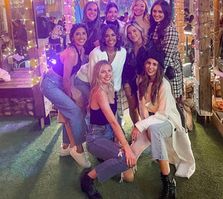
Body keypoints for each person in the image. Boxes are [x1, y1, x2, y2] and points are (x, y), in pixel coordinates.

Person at [130, 49, 195, 198]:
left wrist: (140, 125)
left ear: (159, 67)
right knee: (137, 145)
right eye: (148, 63)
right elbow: (142, 107)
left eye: (154, 64)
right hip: (151, 121)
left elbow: (163, 114)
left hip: (168, 120)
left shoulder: (163, 84)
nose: (150, 67)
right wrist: (143, 125)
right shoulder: (140, 80)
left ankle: (168, 182)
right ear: (144, 64)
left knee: (154, 131)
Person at [80, 60, 136, 199]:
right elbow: (112, 121)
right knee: (125, 159)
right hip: (96, 137)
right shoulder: (99, 92)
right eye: (103, 72)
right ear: (97, 75)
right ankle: (87, 179)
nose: (107, 74)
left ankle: (105, 158)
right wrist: (126, 147)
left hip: (109, 133)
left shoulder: (110, 88)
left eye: (109, 71)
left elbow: (115, 119)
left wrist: (119, 138)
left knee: (130, 176)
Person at [40, 23, 90, 168]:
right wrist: (71, 95)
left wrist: (74, 92)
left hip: (60, 83)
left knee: (70, 110)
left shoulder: (81, 51)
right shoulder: (72, 52)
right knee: (74, 111)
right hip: (50, 84)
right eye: (77, 34)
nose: (81, 37)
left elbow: (71, 76)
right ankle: (78, 149)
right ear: (72, 37)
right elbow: (66, 79)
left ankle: (66, 146)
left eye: (83, 34)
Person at [88, 24, 126, 123]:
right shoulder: (95, 53)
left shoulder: (123, 52)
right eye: (107, 35)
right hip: (98, 90)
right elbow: (91, 77)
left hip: (113, 91)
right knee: (100, 121)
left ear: (117, 36)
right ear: (103, 38)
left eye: (113, 35)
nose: (110, 38)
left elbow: (118, 75)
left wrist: (113, 91)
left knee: (113, 120)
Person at [148, 0, 184, 102]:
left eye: (160, 12)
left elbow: (166, 57)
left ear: (166, 13)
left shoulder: (170, 30)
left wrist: (157, 79)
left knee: (171, 105)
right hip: (158, 69)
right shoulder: (157, 26)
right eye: (154, 11)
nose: (156, 14)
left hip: (169, 72)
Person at [122, 22, 146, 124]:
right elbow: (125, 69)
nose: (132, 34)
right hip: (130, 82)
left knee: (143, 108)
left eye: (134, 31)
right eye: (129, 33)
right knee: (133, 107)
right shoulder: (127, 49)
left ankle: (146, 131)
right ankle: (136, 129)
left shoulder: (148, 47)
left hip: (145, 82)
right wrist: (126, 85)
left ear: (140, 31)